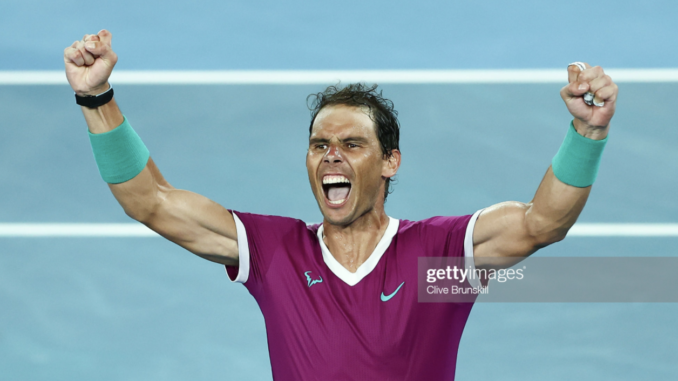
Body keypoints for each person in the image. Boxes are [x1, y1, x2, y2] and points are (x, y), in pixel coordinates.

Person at [63, 30, 618, 380]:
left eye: (352, 145)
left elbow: (542, 222)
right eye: (319, 146)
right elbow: (151, 203)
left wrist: (586, 134)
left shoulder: (438, 261)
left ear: (389, 162)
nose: (332, 157)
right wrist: (95, 98)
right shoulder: (276, 254)